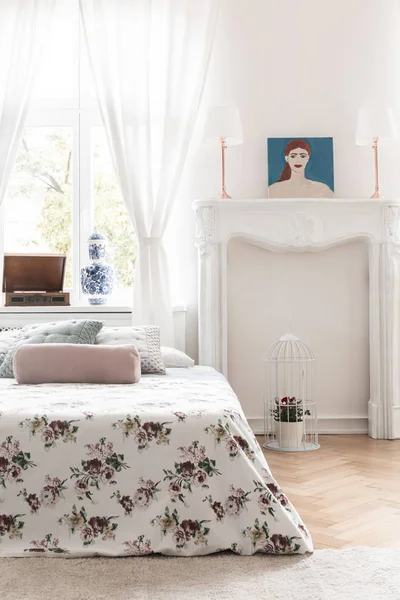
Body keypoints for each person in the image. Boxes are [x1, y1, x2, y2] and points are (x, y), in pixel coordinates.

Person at [268, 139, 334, 198]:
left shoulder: (322, 189)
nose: (298, 160)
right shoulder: (273, 190)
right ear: (287, 158)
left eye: (302, 156)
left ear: (307, 158)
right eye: (293, 156)